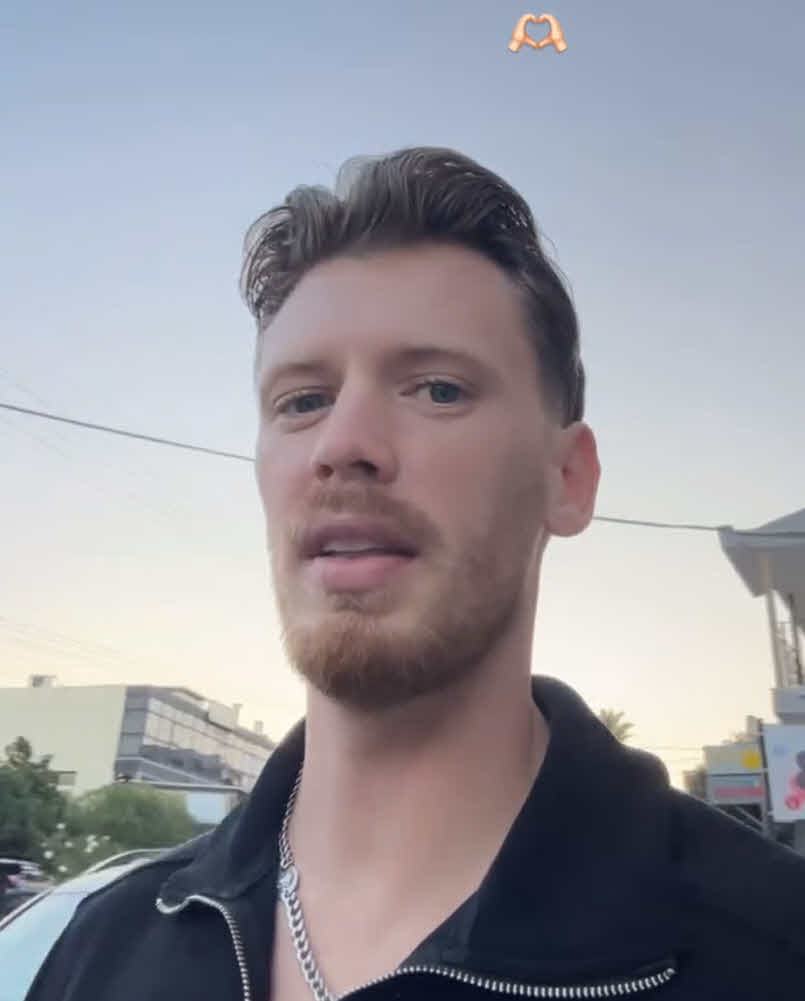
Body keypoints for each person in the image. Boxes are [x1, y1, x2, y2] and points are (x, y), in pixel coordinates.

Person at [25, 147, 805, 1001]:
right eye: (302, 401)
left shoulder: (769, 951)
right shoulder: (102, 949)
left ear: (567, 479)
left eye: (436, 389)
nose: (341, 444)